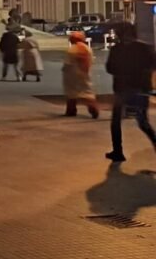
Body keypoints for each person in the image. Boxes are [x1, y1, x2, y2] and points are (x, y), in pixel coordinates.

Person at [104, 24, 156, 162]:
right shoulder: (144, 48)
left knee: (116, 122)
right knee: (143, 122)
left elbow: (109, 68)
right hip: (140, 89)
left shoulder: (117, 49)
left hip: (122, 89)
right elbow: (153, 64)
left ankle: (118, 151)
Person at [62, 31, 99, 118]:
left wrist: (64, 70)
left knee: (71, 93)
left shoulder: (72, 49)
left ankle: (71, 110)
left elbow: (67, 63)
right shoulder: (87, 48)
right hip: (85, 73)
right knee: (87, 92)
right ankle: (93, 109)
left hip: (72, 74)